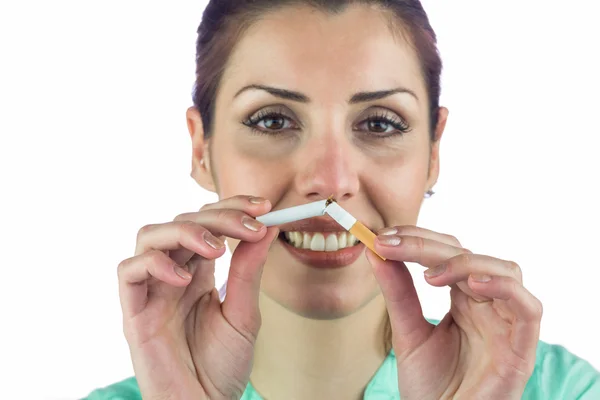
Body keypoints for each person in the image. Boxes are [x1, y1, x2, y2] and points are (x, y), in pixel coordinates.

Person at [85, 1, 600, 399]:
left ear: (433, 151)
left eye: (379, 124)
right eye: (273, 120)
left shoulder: (560, 389)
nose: (330, 182)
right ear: (201, 149)